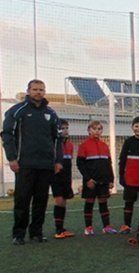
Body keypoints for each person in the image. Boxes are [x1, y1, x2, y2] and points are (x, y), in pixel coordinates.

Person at [2, 79, 63, 244]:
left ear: (45, 92)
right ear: (28, 91)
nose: (38, 92)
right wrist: (12, 158)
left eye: (41, 89)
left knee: (41, 200)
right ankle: (18, 234)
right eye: (35, 89)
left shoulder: (51, 113)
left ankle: (36, 232)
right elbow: (7, 135)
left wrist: (58, 161)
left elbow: (58, 138)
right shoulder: (17, 111)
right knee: (22, 200)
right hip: (24, 164)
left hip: (46, 165)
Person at [77, 120, 116, 235]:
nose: (96, 131)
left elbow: (109, 164)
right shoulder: (83, 146)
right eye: (94, 129)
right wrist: (88, 179)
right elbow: (80, 164)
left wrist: (111, 179)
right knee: (89, 202)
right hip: (90, 181)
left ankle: (106, 226)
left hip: (103, 180)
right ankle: (88, 227)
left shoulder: (104, 146)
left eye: (99, 129)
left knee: (103, 202)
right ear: (89, 130)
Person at [51, 119, 74, 239]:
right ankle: (58, 230)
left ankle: (61, 228)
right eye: (62, 128)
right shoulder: (54, 144)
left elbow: (69, 162)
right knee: (59, 200)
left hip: (66, 176)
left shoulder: (70, 145)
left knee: (64, 201)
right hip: (56, 176)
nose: (65, 131)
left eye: (66, 128)